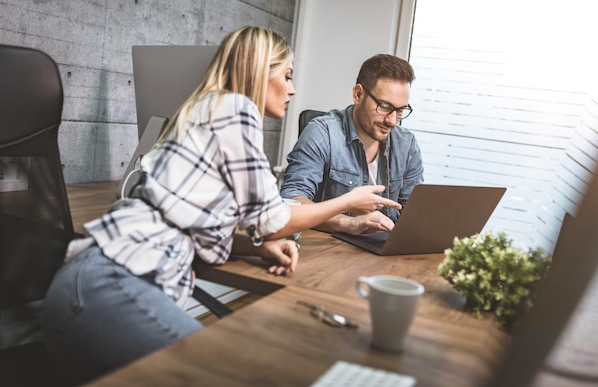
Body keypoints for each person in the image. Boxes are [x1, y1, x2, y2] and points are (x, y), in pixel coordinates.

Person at [42, 26, 400, 386]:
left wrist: (256, 246)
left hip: (89, 284)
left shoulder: (205, 109)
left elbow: (201, 226)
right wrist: (350, 200)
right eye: (287, 76)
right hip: (109, 284)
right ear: (260, 71)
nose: (292, 89)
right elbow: (273, 220)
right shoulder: (235, 108)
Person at [280, 53, 424, 235]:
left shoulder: (407, 144)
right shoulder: (322, 133)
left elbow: (413, 212)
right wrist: (347, 223)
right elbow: (292, 200)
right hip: (330, 250)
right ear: (358, 94)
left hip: (383, 253)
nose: (392, 121)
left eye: (400, 110)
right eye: (385, 107)